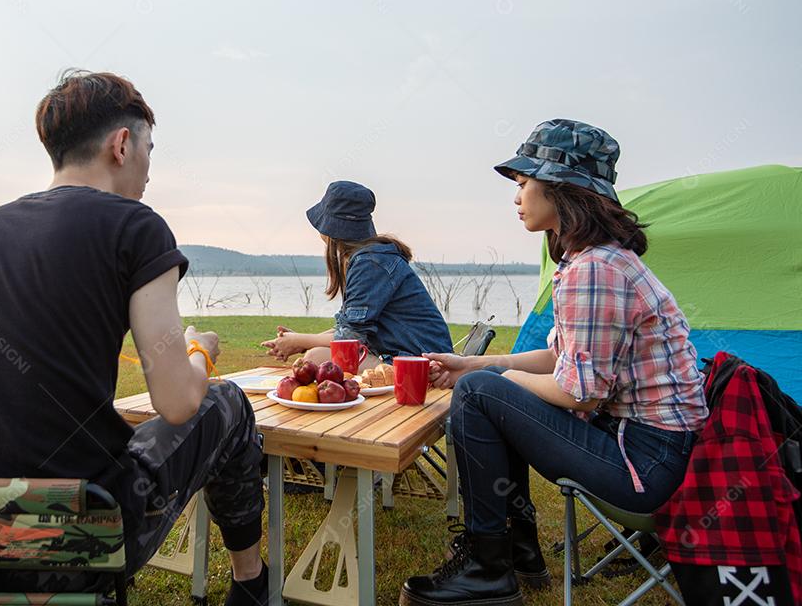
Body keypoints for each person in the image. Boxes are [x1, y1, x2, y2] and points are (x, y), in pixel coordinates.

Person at [0, 70, 268, 605]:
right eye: (149, 151)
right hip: (78, 531)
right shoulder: (135, 226)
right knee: (225, 403)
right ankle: (252, 583)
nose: (148, 172)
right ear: (122, 144)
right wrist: (199, 349)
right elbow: (178, 402)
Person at [400, 119, 709, 606]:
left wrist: (494, 377)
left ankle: (488, 568)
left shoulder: (596, 269)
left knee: (483, 394)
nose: (516, 196)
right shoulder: (599, 260)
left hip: (645, 467)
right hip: (649, 451)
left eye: (524, 184)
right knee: (485, 386)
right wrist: (474, 364)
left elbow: (578, 392)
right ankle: (518, 551)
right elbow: (564, 357)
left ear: (561, 189)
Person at [262, 180, 454, 369]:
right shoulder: (372, 258)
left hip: (423, 364)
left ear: (331, 228)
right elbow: (350, 328)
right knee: (315, 357)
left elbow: (350, 338)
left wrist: (301, 341)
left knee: (315, 359)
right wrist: (300, 341)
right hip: (415, 357)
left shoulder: (370, 263)